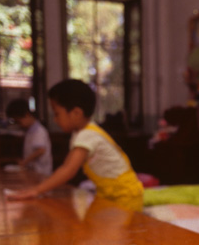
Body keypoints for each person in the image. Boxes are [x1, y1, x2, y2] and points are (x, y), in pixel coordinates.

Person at [8, 79, 143, 211]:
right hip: (108, 192)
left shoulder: (87, 135)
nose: (55, 120)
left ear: (76, 113)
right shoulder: (80, 133)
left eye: (57, 114)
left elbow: (68, 169)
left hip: (125, 195)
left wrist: (36, 190)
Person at [5, 98, 53, 176]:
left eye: (19, 121)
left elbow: (41, 150)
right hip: (33, 170)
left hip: (41, 172)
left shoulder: (39, 131)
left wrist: (25, 161)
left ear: (27, 114)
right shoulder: (30, 130)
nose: (19, 124)